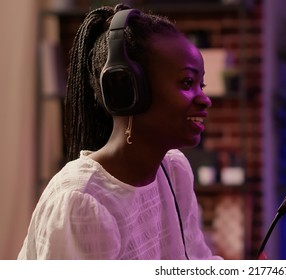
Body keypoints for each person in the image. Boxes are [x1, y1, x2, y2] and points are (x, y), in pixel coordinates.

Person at [18, 3, 221, 260]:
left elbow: (196, 262)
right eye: (187, 83)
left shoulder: (173, 170)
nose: (205, 99)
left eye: (201, 85)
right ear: (127, 91)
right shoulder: (81, 202)